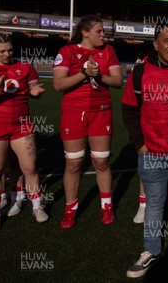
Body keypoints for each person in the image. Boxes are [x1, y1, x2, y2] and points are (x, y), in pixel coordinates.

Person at [122, 23, 168, 278]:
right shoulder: (140, 72)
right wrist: (140, 144)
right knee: (154, 203)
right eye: (167, 41)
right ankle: (151, 251)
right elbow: (129, 110)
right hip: (152, 152)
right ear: (156, 44)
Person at [53, 16, 123, 229]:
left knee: (101, 162)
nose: (103, 35)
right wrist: (84, 73)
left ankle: (106, 205)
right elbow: (58, 84)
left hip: (101, 112)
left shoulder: (108, 51)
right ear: (85, 32)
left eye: (103, 31)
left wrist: (99, 75)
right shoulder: (67, 52)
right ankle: (70, 209)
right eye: (99, 31)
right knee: (73, 163)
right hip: (74, 114)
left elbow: (118, 82)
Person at [0, 31, 48, 231]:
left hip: (22, 125)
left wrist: (35, 92)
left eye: (10, 50)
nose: (7, 54)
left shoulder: (25, 67)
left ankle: (36, 206)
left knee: (30, 167)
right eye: (1, 51)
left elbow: (33, 88)